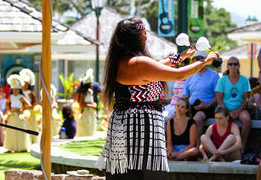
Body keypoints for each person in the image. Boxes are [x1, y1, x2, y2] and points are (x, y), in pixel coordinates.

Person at [96, 17, 219, 179]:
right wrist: (204, 61)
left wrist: (180, 57)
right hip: (139, 127)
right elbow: (179, 74)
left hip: (126, 123)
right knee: (142, 173)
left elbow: (156, 67)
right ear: (135, 37)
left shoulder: (124, 61)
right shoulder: (139, 63)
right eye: (144, 33)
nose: (146, 37)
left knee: (126, 173)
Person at [215, 56, 251, 153]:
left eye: (235, 64)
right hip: (224, 109)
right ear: (227, 66)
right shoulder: (222, 80)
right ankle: (220, 147)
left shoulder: (244, 80)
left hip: (240, 109)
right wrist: (227, 112)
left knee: (247, 120)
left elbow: (246, 99)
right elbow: (219, 99)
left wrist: (237, 111)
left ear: (239, 66)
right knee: (222, 119)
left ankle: (242, 146)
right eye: (230, 64)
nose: (233, 66)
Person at [182, 51, 219, 137]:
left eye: (202, 59)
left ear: (207, 60)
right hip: (190, 107)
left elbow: (218, 96)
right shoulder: (190, 75)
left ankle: (197, 146)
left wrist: (207, 105)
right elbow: (185, 95)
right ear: (193, 61)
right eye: (197, 59)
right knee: (173, 118)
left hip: (208, 108)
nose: (200, 61)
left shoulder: (214, 75)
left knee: (197, 118)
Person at [4, 74, 31, 152]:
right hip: (12, 115)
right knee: (11, 131)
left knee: (20, 131)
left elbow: (28, 104)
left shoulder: (21, 97)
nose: (15, 91)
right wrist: (9, 109)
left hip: (19, 116)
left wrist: (22, 109)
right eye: (14, 89)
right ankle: (10, 147)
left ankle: (21, 147)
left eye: (17, 89)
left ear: (19, 90)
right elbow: (6, 103)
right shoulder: (11, 97)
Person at [20, 68, 40, 144]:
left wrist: (31, 107)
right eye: (23, 84)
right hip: (22, 111)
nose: (24, 86)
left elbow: (34, 102)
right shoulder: (20, 93)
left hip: (30, 112)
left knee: (31, 125)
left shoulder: (31, 93)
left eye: (26, 84)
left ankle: (32, 140)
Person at [75, 70, 97, 137]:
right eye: (91, 83)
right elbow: (81, 103)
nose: (92, 84)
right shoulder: (83, 92)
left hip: (90, 113)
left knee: (91, 129)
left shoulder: (90, 91)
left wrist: (93, 104)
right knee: (85, 130)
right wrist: (91, 105)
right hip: (85, 113)